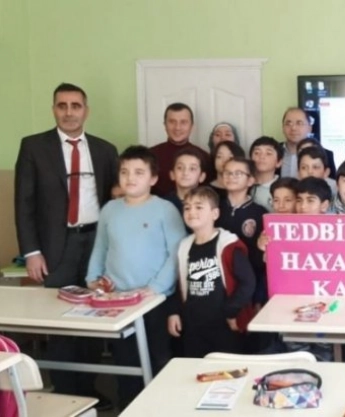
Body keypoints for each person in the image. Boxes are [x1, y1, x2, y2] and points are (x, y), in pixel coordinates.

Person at [14, 82, 118, 408]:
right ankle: (64, 391)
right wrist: (32, 252)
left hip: (96, 244)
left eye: (76, 105)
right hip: (55, 247)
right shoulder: (34, 147)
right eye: (62, 105)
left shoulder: (105, 150)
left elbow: (114, 201)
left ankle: (88, 390)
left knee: (92, 318)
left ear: (86, 110)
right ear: (54, 109)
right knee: (59, 318)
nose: (69, 112)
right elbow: (24, 203)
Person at [85, 145, 186, 410]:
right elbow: (101, 247)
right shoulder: (110, 209)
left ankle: (162, 409)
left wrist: (155, 288)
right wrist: (92, 277)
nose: (130, 177)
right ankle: (128, 406)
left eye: (139, 172)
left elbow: (176, 253)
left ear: (153, 178)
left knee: (158, 357)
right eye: (125, 171)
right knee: (125, 359)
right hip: (118, 299)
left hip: (154, 300)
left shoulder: (165, 209)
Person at [168, 186, 256, 358]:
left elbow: (248, 282)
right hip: (193, 325)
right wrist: (174, 312)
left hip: (225, 323)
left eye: (199, 207)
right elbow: (178, 284)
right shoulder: (184, 246)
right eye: (187, 207)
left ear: (215, 214)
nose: (192, 212)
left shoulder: (228, 245)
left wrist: (231, 311)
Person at [217, 157, 268, 309]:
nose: (231, 177)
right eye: (227, 173)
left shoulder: (259, 213)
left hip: (247, 280)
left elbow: (260, 258)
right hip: (217, 278)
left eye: (238, 173)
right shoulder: (214, 207)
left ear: (251, 180)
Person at [149, 102, 211, 197]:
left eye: (183, 122)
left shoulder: (205, 157)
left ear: (192, 126)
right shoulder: (149, 155)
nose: (177, 127)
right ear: (165, 125)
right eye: (172, 122)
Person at [164, 148, 207, 224]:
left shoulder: (208, 203)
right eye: (180, 168)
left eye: (192, 169)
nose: (185, 173)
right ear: (172, 174)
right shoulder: (164, 204)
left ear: (202, 177)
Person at [249, 136, 283, 211]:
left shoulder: (283, 188)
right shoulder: (244, 185)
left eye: (268, 153)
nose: (262, 157)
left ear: (279, 162)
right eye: (257, 153)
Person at [280, 108, 312, 178]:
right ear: (283, 128)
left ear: (309, 128)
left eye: (299, 123)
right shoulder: (272, 152)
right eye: (288, 124)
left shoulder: (326, 155)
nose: (293, 128)